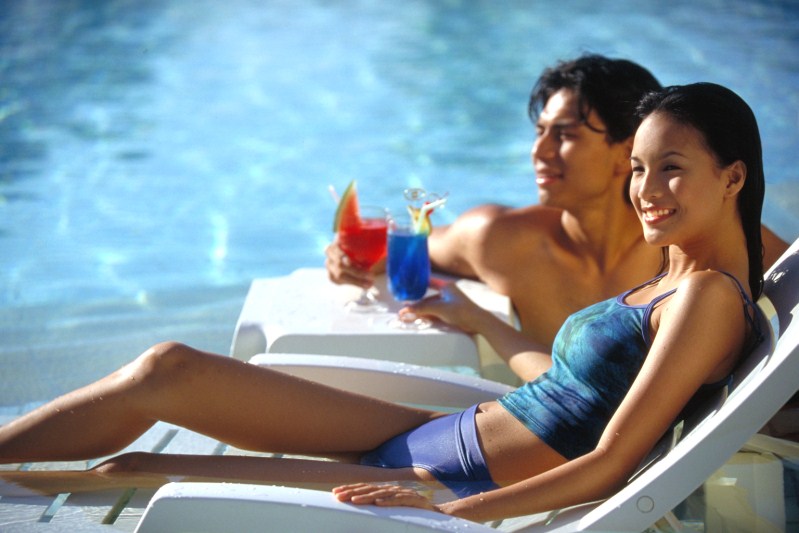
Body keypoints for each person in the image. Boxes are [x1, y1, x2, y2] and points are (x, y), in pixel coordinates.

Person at [0, 82, 769, 522]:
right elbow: (573, 392)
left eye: (670, 167)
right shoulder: (673, 276)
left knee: (135, 465)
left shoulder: (705, 296)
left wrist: (449, 510)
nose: (645, 189)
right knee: (168, 368)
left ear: (731, 176)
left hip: (450, 477)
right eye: (638, 169)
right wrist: (479, 320)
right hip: (433, 433)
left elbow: (610, 462)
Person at [325, 55, 787, 381]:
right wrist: (351, 258)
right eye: (539, 132)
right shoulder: (501, 240)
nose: (539, 151)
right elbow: (405, 250)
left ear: (629, 149)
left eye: (564, 135)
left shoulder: (702, 245)